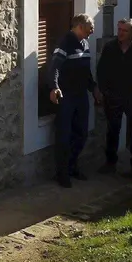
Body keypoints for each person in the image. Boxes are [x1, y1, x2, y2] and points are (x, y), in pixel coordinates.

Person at [96, 18, 132, 179]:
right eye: (119, 29)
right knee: (112, 130)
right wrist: (104, 90)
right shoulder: (110, 48)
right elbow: (102, 70)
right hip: (113, 95)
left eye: (125, 30)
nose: (121, 33)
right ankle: (110, 162)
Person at [48, 13, 99, 188]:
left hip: (81, 96)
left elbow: (86, 71)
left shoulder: (85, 44)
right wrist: (54, 87)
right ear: (80, 27)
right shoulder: (65, 43)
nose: (92, 31)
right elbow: (54, 67)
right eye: (90, 28)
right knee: (64, 135)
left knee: (81, 133)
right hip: (67, 97)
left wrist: (93, 87)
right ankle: (62, 173)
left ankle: (72, 166)